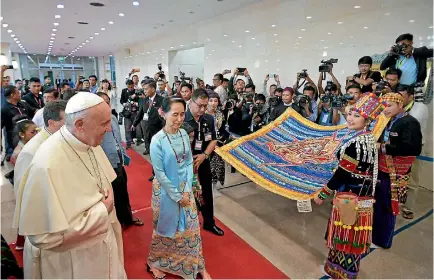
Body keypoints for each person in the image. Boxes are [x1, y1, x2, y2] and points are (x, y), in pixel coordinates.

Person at [14, 92, 126, 279]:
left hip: (100, 249)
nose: (109, 130)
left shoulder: (89, 142)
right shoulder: (46, 163)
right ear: (79, 125)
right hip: (72, 261)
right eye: (104, 124)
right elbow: (43, 236)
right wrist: (101, 211)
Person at [314, 93, 386, 279]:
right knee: (348, 234)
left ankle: (342, 273)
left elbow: (342, 173)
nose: (351, 119)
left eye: (357, 116)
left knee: (346, 233)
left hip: (351, 194)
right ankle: (337, 270)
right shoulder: (367, 138)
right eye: (351, 114)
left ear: (368, 120)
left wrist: (323, 193)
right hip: (360, 194)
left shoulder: (357, 143)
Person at [148, 96, 210, 279]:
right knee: (165, 228)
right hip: (165, 191)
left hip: (185, 189)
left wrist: (189, 186)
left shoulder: (183, 134)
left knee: (192, 229)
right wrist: (177, 195)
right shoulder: (157, 140)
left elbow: (189, 161)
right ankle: (155, 262)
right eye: (175, 114)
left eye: (182, 114)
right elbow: (159, 173)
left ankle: (197, 265)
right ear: (163, 113)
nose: (179, 119)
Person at [12, 101, 66, 251]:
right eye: (66, 121)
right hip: (45, 223)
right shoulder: (31, 150)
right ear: (52, 123)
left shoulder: (60, 139)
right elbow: (24, 191)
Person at [372, 92, 422, 249]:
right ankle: (375, 236)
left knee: (388, 205)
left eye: (390, 105)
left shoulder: (409, 122)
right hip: (383, 168)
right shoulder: (388, 120)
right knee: (378, 203)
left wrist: (383, 147)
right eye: (384, 105)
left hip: (395, 171)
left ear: (401, 105)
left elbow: (413, 148)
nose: (385, 109)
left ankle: (382, 240)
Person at [97, 92, 143, 227]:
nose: (106, 105)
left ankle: (127, 217)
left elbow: (117, 140)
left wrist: (123, 155)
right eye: (102, 103)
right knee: (112, 193)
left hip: (118, 159)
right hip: (106, 162)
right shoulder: (95, 122)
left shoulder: (112, 118)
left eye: (107, 102)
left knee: (122, 189)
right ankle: (115, 220)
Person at [185, 88, 224, 236]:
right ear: (191, 102)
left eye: (205, 106)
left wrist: (205, 155)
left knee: (207, 192)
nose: (202, 109)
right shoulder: (182, 118)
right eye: (199, 105)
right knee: (187, 194)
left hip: (203, 160)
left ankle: (209, 222)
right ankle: (188, 225)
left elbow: (214, 139)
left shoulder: (209, 118)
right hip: (186, 164)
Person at [133, 80, 164, 161]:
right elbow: (140, 113)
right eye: (144, 89)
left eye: (146, 89)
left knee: (159, 152)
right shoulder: (145, 100)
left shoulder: (161, 100)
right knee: (150, 148)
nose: (144, 91)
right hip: (147, 127)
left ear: (153, 89)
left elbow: (164, 116)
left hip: (157, 129)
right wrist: (134, 124)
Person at [1, 85, 33, 162]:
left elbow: (33, 112)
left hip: (28, 137)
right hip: (15, 140)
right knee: (19, 160)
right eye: (18, 93)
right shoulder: (4, 110)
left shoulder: (23, 104)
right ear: (12, 95)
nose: (20, 94)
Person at [207, 92, 230, 197]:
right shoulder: (204, 114)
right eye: (211, 100)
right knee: (209, 168)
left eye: (215, 101)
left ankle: (214, 187)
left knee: (219, 168)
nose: (213, 103)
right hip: (207, 145)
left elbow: (223, 129)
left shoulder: (220, 113)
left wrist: (226, 139)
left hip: (219, 144)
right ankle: (207, 188)